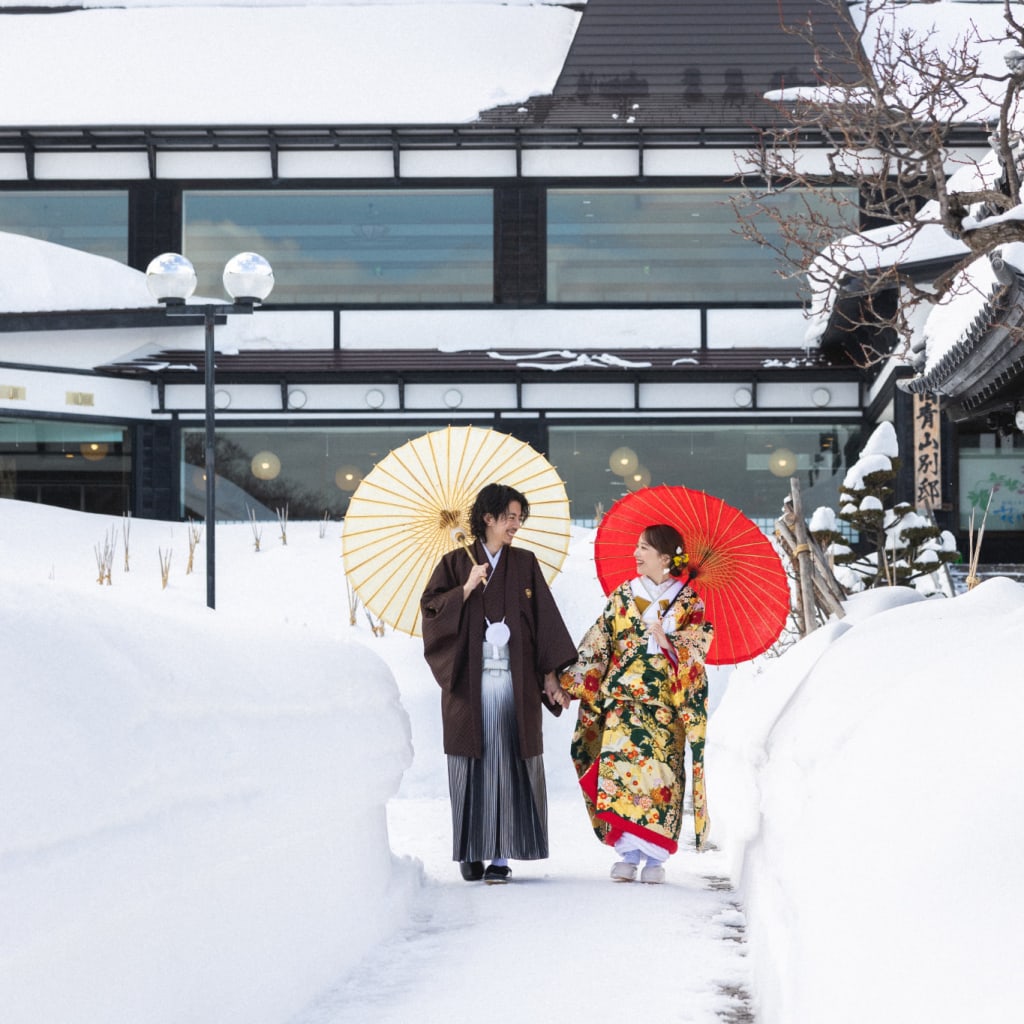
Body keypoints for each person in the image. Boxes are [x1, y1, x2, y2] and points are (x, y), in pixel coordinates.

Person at [420, 482, 577, 885]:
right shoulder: (455, 564)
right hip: (470, 687)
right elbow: (433, 612)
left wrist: (550, 674)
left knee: (508, 763)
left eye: (519, 516)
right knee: (470, 766)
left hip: (514, 684)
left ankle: (501, 855)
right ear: (487, 518)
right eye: (509, 516)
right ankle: (472, 847)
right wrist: (465, 589)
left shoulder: (524, 563)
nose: (516, 523)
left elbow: (544, 622)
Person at [554, 523, 714, 884]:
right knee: (621, 777)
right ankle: (627, 852)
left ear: (664, 555)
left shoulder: (689, 601)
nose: (636, 554)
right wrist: (570, 683)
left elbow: (699, 649)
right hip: (622, 702)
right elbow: (598, 643)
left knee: (661, 778)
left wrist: (671, 641)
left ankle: (655, 859)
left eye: (643, 548)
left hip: (665, 707)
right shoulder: (623, 596)